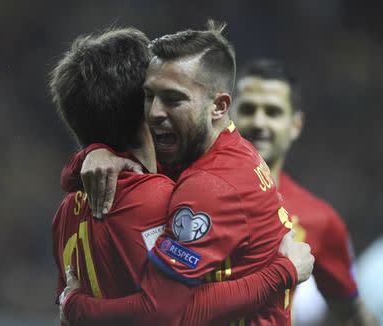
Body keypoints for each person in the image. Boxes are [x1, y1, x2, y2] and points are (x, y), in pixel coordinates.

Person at [59, 22, 314, 325]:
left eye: (173, 99)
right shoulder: (201, 149)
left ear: (219, 106)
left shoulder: (208, 187)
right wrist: (91, 153)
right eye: (148, 95)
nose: (153, 112)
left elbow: (165, 314)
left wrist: (74, 307)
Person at [231, 59, 377, 325]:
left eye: (273, 112)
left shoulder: (320, 220)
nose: (259, 121)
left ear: (295, 125)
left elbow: (351, 313)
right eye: (249, 109)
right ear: (229, 113)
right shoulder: (185, 188)